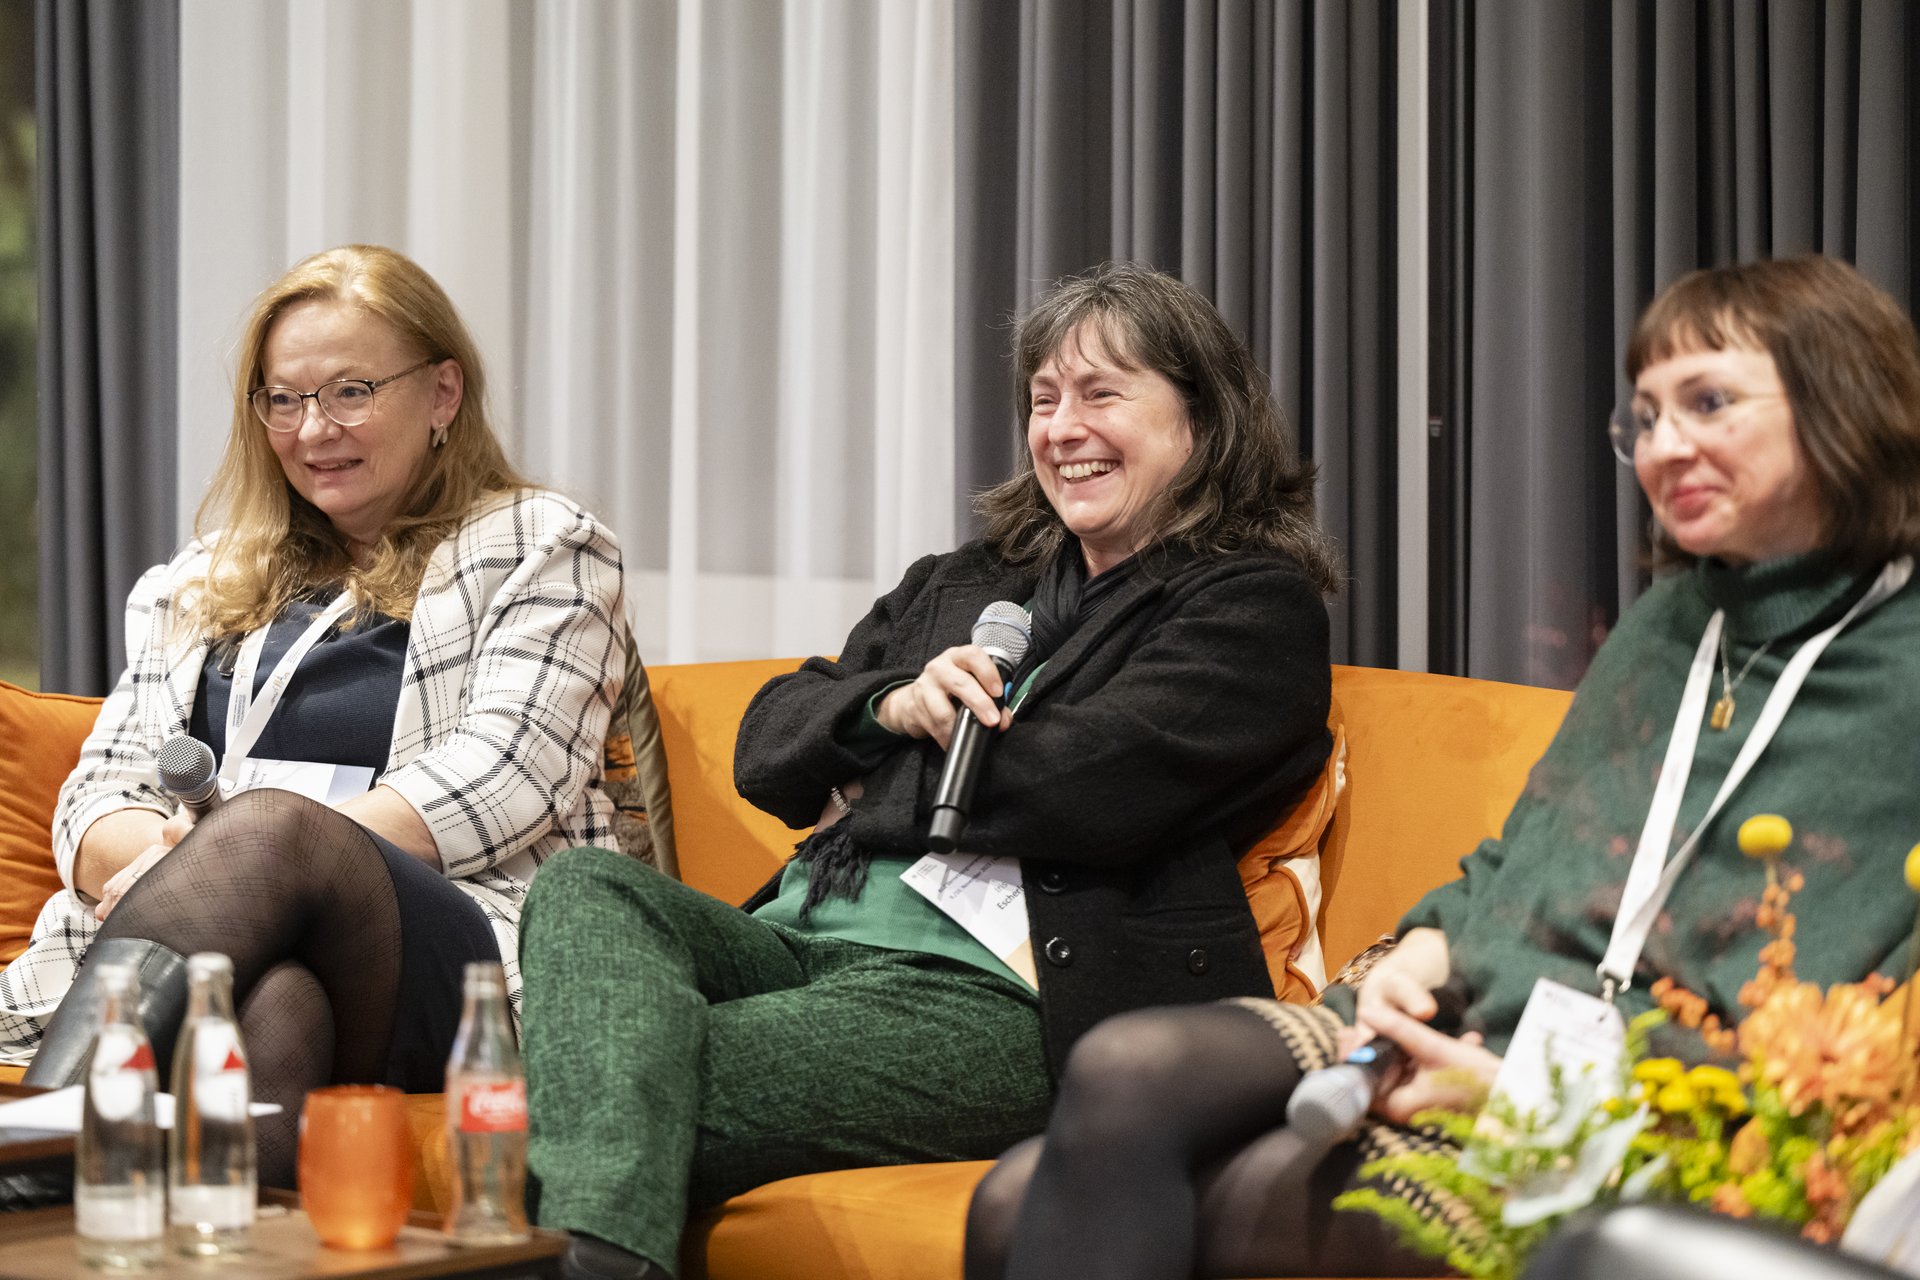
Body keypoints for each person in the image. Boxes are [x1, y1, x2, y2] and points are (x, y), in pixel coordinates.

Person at [964, 252, 1920, 1280]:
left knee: (1047, 1202)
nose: (1664, 446)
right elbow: (1521, 859)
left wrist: (1526, 1086)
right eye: (1644, 417)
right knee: (1116, 1074)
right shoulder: (1671, 624)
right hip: (1465, 1011)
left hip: (1645, 1100)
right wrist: (1422, 952)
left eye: (1708, 402)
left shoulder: (1901, 670)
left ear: (1843, 402)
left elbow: (1834, 1024)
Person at [518, 261, 1344, 1280]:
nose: (1061, 427)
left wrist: (868, 773)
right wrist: (889, 705)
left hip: (1002, 999)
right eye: (1043, 399)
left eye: (1101, 393)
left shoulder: (1252, 611)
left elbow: (1080, 788)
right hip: (806, 940)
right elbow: (770, 741)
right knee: (589, 885)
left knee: (576, 1091)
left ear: (1202, 420)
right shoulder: (970, 580)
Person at [0, 244, 627, 1186]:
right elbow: (98, 788)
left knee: (272, 835)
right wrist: (190, 861)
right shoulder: (201, 579)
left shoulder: (540, 544)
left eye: (351, 391)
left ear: (443, 392)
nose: (312, 429)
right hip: (242, 941)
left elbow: (508, 776)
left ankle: (36, 1158)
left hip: (465, 940)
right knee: (277, 1003)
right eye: (282, 400)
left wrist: (248, 848)